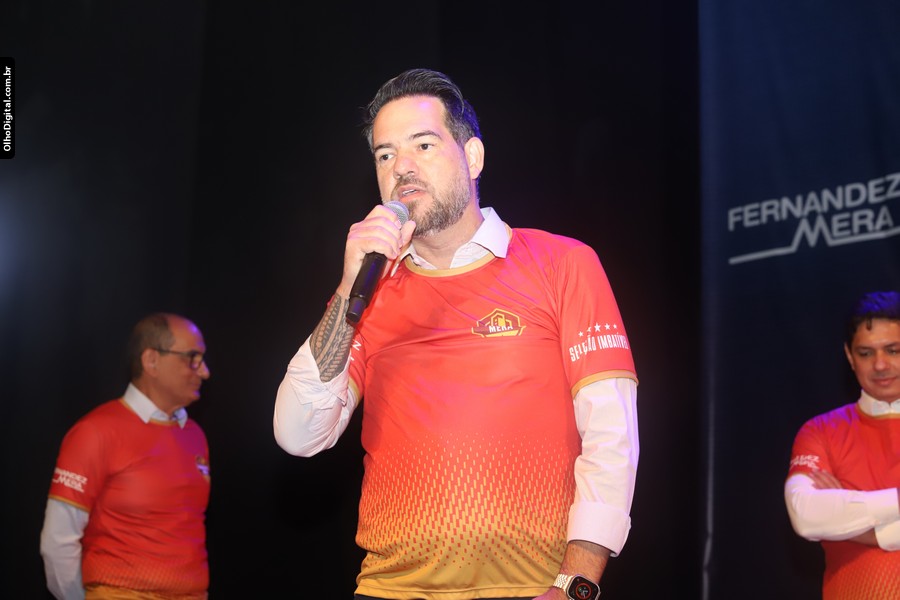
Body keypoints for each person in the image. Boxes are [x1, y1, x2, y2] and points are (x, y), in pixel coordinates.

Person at [273, 68, 639, 600]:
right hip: (389, 590)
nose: (402, 167)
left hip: (532, 588)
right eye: (385, 154)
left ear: (472, 157)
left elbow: (611, 435)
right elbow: (298, 434)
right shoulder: (369, 291)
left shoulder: (562, 263)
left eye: (422, 145)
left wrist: (576, 585)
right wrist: (349, 286)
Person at [40, 312, 212, 600]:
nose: (204, 371)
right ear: (151, 361)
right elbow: (58, 540)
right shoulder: (96, 431)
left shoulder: (195, 435)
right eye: (192, 358)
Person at [785, 290, 900, 599]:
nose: (880, 365)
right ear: (849, 356)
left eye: (893, 350)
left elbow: (825, 515)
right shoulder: (821, 430)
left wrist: (852, 516)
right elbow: (806, 516)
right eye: (866, 353)